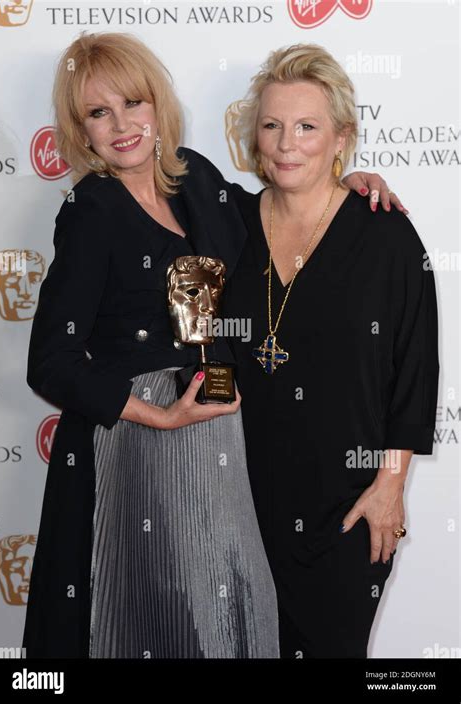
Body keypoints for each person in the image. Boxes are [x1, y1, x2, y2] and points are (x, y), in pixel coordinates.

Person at [22, 31, 401, 659]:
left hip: (219, 436)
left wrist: (343, 183)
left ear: (158, 105)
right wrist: (160, 415)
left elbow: (271, 218)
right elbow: (50, 361)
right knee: (156, 618)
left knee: (224, 616)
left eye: (134, 104)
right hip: (139, 451)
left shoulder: (195, 176)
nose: (121, 125)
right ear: (79, 129)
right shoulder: (90, 211)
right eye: (98, 112)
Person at [222, 43, 439, 658]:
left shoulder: (384, 232)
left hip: (349, 507)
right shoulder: (229, 223)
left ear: (341, 136)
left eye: (307, 126)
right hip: (241, 501)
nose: (288, 143)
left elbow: (415, 368)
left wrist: (390, 486)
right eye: (272, 125)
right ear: (255, 136)